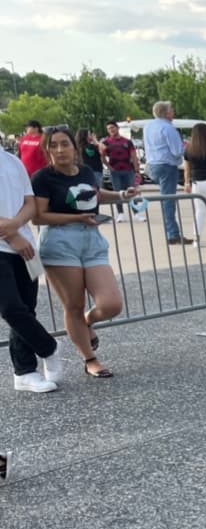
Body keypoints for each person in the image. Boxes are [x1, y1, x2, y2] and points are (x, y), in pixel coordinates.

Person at [31, 126, 137, 379]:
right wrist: (74, 218)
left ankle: (87, 323)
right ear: (47, 150)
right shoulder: (42, 178)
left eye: (64, 144)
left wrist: (122, 194)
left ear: (74, 147)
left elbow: (95, 195)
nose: (60, 150)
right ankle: (90, 358)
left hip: (91, 240)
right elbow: (38, 216)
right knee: (74, 305)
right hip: (59, 242)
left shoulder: (87, 171)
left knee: (111, 304)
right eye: (53, 145)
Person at [1, 143, 63, 393]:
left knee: (28, 308)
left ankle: (25, 371)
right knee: (11, 308)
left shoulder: (13, 161)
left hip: (26, 246)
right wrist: (11, 235)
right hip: (9, 245)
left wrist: (16, 225)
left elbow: (30, 203)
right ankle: (49, 347)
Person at [145, 101, 186, 245]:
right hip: (167, 166)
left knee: (166, 199)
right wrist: (185, 148)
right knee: (168, 201)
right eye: (172, 110)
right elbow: (177, 151)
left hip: (152, 165)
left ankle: (172, 232)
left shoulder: (148, 126)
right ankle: (173, 234)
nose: (173, 112)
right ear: (166, 113)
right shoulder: (168, 128)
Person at [102, 120, 143, 222]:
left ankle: (136, 213)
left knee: (132, 191)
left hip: (128, 170)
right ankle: (120, 213)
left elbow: (133, 156)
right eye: (108, 129)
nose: (111, 130)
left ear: (117, 128)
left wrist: (137, 170)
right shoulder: (106, 142)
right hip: (115, 171)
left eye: (112, 127)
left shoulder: (127, 141)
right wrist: (107, 166)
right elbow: (102, 155)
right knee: (117, 192)